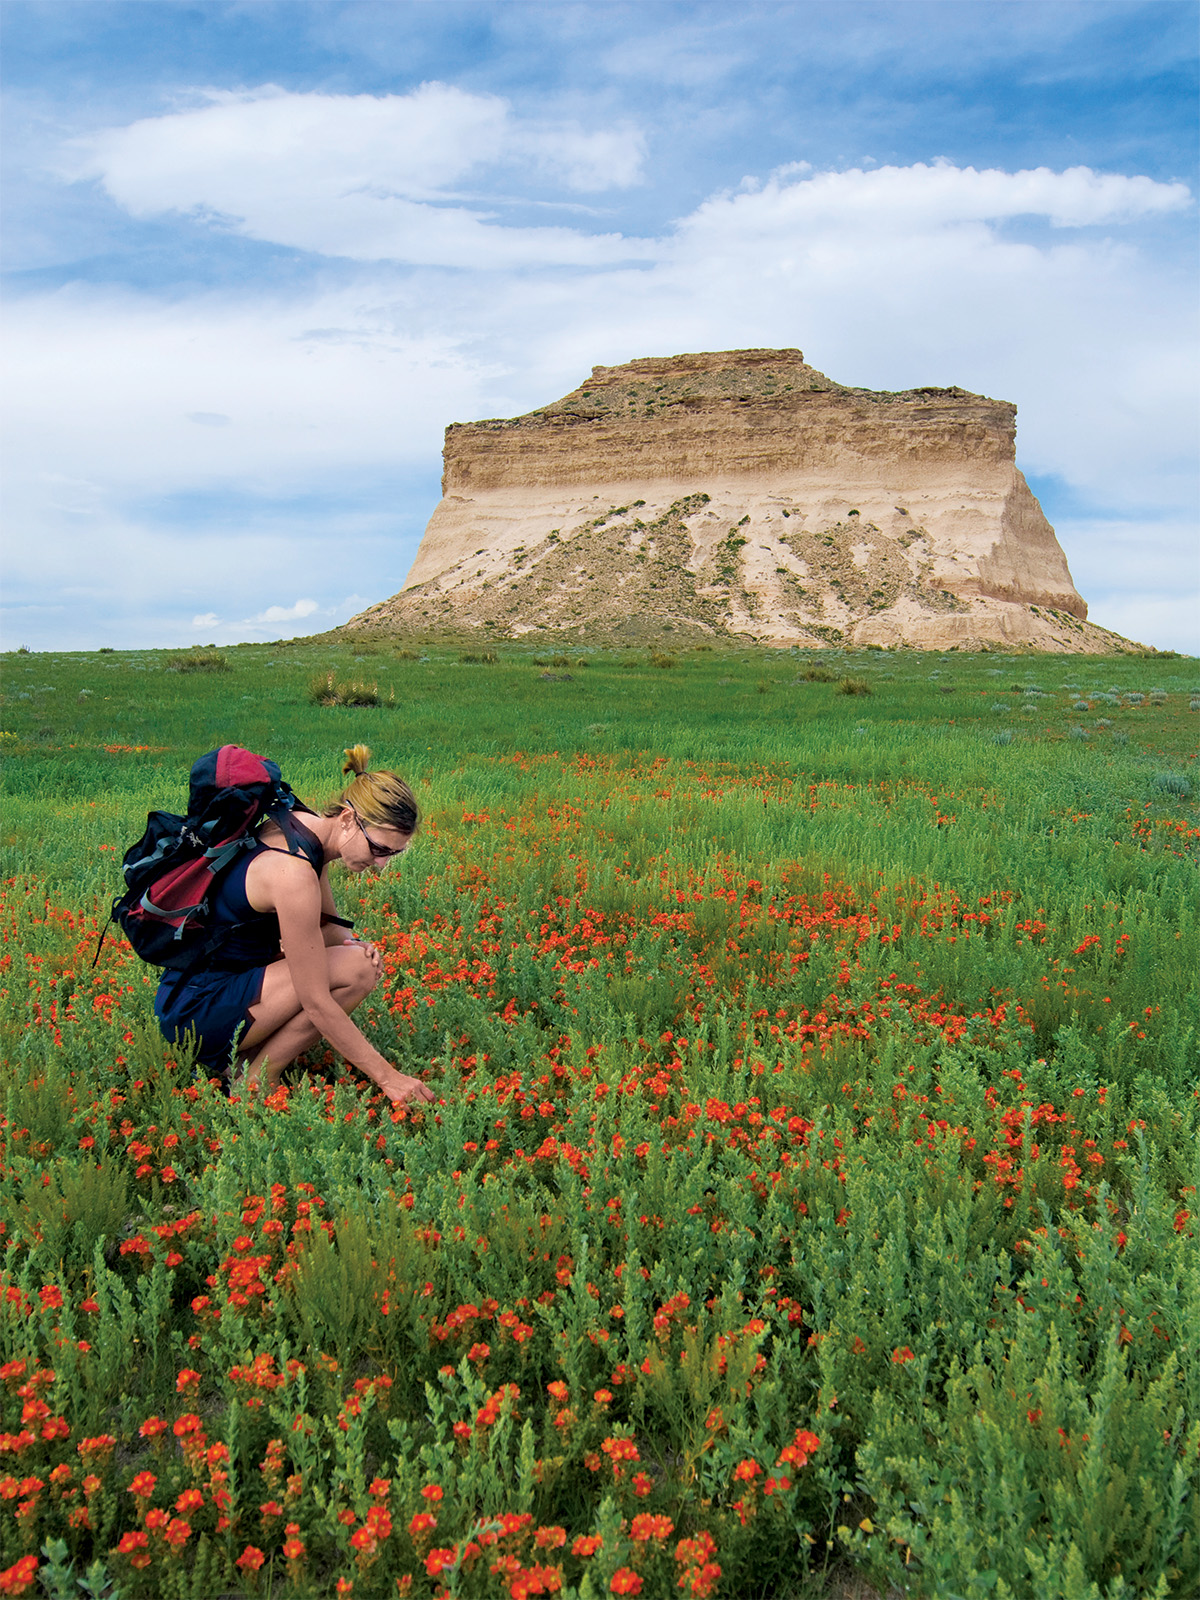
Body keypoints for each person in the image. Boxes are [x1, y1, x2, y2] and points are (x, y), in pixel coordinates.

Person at [154, 744, 434, 1105]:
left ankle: (240, 1061)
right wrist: (389, 1077)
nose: (381, 866)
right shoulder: (294, 871)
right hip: (197, 1011)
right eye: (379, 849)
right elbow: (316, 1001)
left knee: (357, 963)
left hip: (193, 990)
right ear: (348, 819)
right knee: (356, 972)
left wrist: (357, 947)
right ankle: (254, 1081)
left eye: (393, 855)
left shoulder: (300, 825)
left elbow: (329, 928)